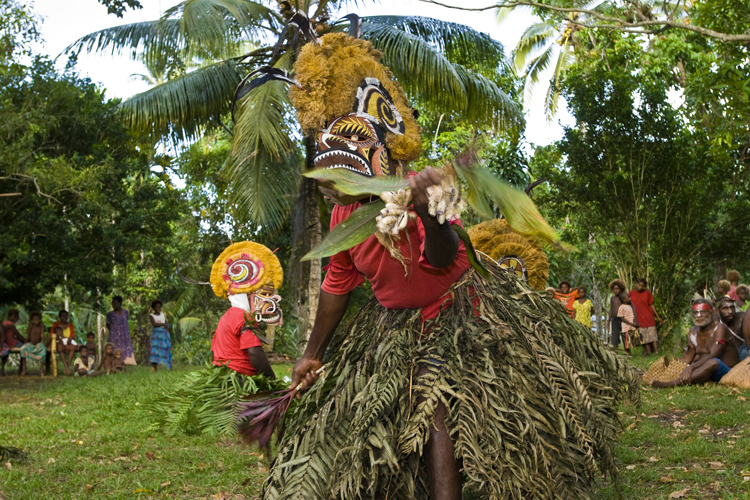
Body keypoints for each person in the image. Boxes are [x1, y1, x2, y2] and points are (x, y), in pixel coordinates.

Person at [253, 32, 637, 500]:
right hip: (393, 323)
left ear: (379, 160)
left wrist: (432, 216)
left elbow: (441, 259)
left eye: (349, 180)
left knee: (435, 406)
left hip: (462, 309)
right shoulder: (342, 218)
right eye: (334, 183)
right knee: (389, 415)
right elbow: (337, 285)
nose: (340, 191)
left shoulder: (424, 191)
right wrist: (312, 352)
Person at [210, 241, 280, 380]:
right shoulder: (244, 317)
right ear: (246, 295)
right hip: (240, 379)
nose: (263, 301)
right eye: (260, 295)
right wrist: (272, 380)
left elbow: (214, 353)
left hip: (223, 378)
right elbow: (254, 353)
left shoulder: (226, 316)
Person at [652, 298, 739, 388]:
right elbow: (687, 358)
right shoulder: (693, 331)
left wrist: (690, 368)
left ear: (712, 313)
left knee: (713, 362)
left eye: (703, 312)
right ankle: (703, 379)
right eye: (695, 312)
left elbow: (714, 355)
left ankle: (672, 384)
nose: (699, 315)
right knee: (695, 360)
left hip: (729, 372)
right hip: (706, 370)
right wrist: (669, 363)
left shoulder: (720, 328)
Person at [630, 278, 663, 357]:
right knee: (644, 339)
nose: (640, 287)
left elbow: (651, 304)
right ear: (636, 284)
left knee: (653, 336)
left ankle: (656, 352)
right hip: (639, 319)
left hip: (649, 317)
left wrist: (658, 317)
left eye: (642, 286)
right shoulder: (630, 294)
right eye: (639, 285)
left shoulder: (647, 293)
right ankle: (649, 354)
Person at [106, 296, 136, 366]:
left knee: (126, 347)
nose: (113, 305)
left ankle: (127, 361)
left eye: (115, 303)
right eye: (112, 303)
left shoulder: (125, 312)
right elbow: (107, 324)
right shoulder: (110, 314)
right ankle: (114, 362)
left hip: (124, 335)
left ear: (120, 303)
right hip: (114, 335)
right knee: (114, 347)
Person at [19, 311, 46, 376]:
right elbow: (28, 336)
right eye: (35, 320)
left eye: (38, 319)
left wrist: (43, 342)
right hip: (30, 343)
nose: (37, 321)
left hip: (38, 343)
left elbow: (42, 335)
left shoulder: (41, 325)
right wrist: (24, 343)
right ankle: (24, 368)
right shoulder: (30, 325)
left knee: (44, 349)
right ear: (32, 320)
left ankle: (41, 368)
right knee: (23, 348)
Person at [50, 310, 77, 375]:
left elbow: (72, 335)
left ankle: (66, 368)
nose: (64, 317)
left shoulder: (70, 325)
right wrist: (58, 339)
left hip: (67, 343)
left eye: (66, 316)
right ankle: (67, 368)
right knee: (60, 347)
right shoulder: (56, 324)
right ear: (59, 316)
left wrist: (70, 339)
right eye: (62, 316)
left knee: (73, 347)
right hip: (58, 343)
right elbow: (52, 334)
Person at [148, 301, 172, 371]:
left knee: (166, 348)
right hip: (155, 335)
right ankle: (155, 367)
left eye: (159, 306)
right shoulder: (151, 315)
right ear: (153, 308)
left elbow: (165, 324)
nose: (158, 308)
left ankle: (170, 367)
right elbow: (154, 324)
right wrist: (163, 324)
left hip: (163, 334)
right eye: (156, 307)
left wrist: (167, 329)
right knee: (154, 350)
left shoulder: (162, 314)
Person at [1, 309, 25, 376]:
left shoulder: (4, 323)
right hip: (11, 343)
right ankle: (22, 368)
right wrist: (25, 341)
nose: (16, 319)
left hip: (6, 344)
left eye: (17, 317)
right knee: (25, 348)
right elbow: (17, 334)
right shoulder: (10, 324)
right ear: (10, 316)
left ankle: (2, 368)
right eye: (15, 317)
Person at [617, 292, 639, 356]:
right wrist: (631, 323)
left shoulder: (630, 306)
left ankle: (629, 353)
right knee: (626, 341)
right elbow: (622, 318)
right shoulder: (621, 307)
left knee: (631, 340)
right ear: (624, 299)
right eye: (628, 297)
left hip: (631, 326)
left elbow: (634, 312)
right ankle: (627, 353)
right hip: (626, 327)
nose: (630, 298)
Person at [608, 279, 626, 349]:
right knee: (615, 336)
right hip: (615, 319)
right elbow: (611, 310)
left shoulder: (624, 297)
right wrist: (608, 320)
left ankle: (627, 351)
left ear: (621, 289)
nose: (615, 290)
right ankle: (615, 351)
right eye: (614, 289)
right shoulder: (612, 298)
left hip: (623, 319)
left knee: (624, 335)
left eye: (617, 289)